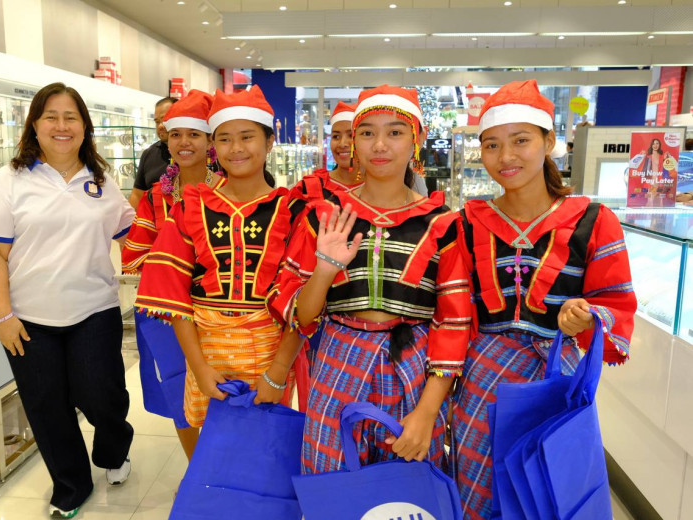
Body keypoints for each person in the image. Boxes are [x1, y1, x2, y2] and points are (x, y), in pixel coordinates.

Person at [450, 80, 637, 519]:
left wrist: (587, 315)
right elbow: (452, 307)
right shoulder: (468, 222)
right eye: (492, 145)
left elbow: (616, 302)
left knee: (547, 493)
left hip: (555, 379)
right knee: (477, 492)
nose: (506, 157)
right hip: (481, 382)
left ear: (549, 142)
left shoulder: (594, 220)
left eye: (521, 141)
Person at [271, 85, 472, 475]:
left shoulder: (443, 224)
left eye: (395, 132)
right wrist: (325, 268)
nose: (380, 145)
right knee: (332, 480)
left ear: (417, 138)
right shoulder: (324, 216)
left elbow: (454, 322)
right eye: (366, 132)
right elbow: (302, 317)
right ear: (353, 141)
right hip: (337, 361)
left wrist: (427, 412)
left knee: (406, 486)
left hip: (414, 368)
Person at [0, 82, 136, 519]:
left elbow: (133, 236)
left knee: (102, 396)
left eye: (71, 117)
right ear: (35, 125)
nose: (61, 126)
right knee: (47, 406)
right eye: (51, 117)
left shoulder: (101, 181)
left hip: (94, 310)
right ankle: (71, 485)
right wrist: (2, 316)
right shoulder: (8, 182)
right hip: (28, 318)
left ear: (84, 126)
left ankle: (114, 451)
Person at [134, 86, 303, 432]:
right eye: (225, 139)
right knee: (215, 442)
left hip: (270, 353)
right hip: (206, 350)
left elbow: (301, 301)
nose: (236, 148)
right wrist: (198, 367)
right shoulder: (189, 208)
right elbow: (173, 295)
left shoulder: (294, 211)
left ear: (270, 142)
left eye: (247, 137)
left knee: (264, 443)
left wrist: (279, 370)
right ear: (215, 145)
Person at [121, 90, 222, 461]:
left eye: (194, 134)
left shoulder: (229, 191)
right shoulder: (155, 198)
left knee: (223, 389)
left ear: (210, 141)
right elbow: (135, 254)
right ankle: (196, 472)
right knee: (180, 390)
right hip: (167, 313)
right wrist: (172, 264)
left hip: (219, 313)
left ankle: (223, 472)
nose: (184, 142)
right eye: (176, 134)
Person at [129, 97, 176, 209]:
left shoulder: (195, 152)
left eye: (165, 120)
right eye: (157, 122)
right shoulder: (149, 154)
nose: (160, 126)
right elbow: (137, 195)